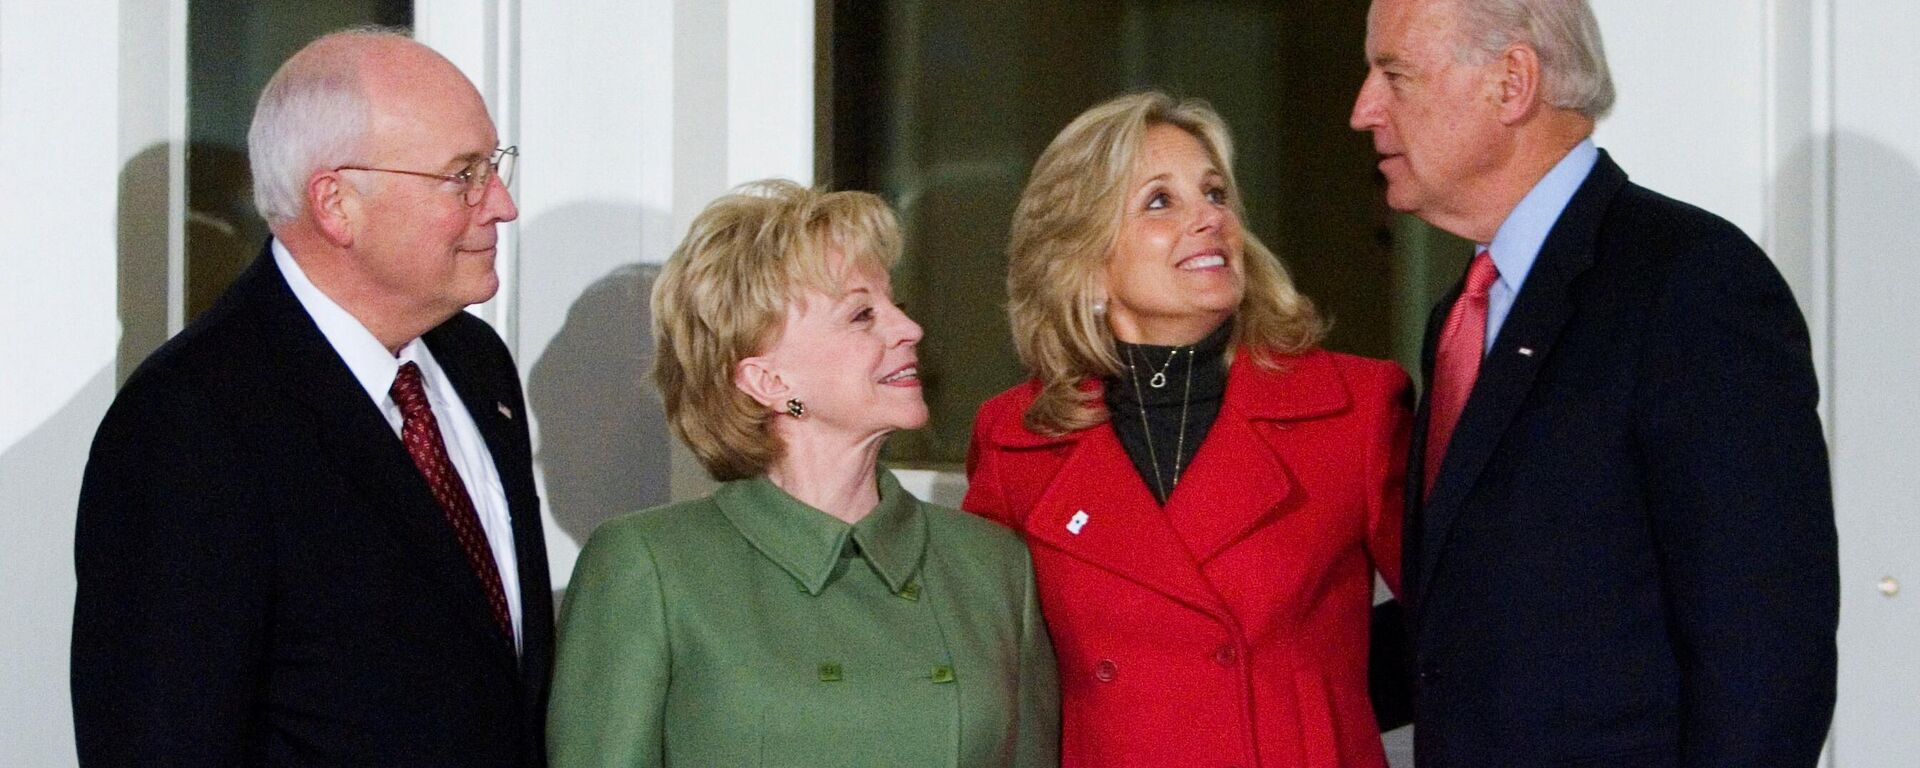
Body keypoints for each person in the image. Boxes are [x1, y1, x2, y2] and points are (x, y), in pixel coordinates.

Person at [1349, 1, 1838, 765]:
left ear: (1512, 82)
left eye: (1395, 74)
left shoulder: (1691, 281)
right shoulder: (1464, 312)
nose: (1363, 109)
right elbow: (1464, 623)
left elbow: (1765, 653)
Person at [70, 29, 552, 766]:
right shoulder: (189, 424)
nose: (503, 204)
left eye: (494, 166)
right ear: (337, 204)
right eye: (464, 176)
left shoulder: (475, 364)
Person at [965, 91, 1412, 767]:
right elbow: (985, 670)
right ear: (1085, 264)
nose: (1209, 218)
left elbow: (1466, 629)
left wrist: (1312, 709)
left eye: (1214, 194)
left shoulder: (1355, 407)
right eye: (1159, 201)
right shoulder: (1016, 438)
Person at [546, 180, 1058, 767]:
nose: (907, 330)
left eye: (896, 306)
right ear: (769, 382)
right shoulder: (649, 567)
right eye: (862, 314)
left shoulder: (991, 565)